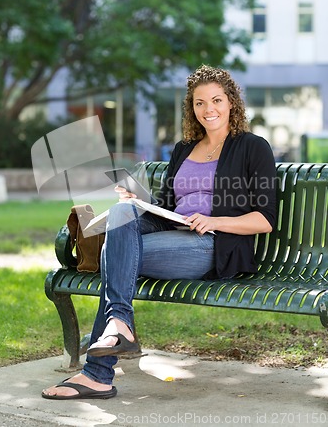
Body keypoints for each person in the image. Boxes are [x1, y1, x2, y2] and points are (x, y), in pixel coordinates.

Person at [42, 65, 277, 400]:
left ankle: (98, 372)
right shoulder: (184, 149)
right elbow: (168, 205)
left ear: (231, 103)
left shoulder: (253, 147)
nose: (208, 109)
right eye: (199, 103)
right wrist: (141, 201)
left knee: (117, 253)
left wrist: (214, 221)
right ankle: (117, 330)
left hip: (210, 244)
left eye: (216, 100)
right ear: (191, 108)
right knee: (123, 211)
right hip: (172, 230)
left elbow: (264, 218)